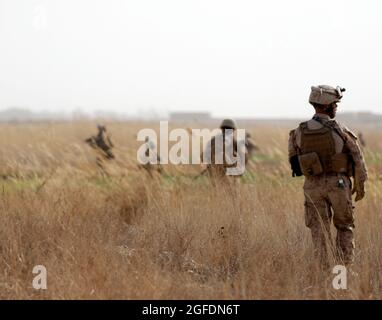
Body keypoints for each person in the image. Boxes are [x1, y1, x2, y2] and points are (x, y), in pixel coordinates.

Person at [288, 85, 368, 270]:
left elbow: (294, 162)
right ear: (326, 106)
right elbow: (358, 159)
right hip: (338, 185)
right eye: (335, 104)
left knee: (319, 231)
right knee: (344, 227)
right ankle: (343, 272)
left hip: (312, 186)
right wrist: (360, 184)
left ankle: (323, 272)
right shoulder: (339, 129)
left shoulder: (299, 131)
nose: (336, 107)